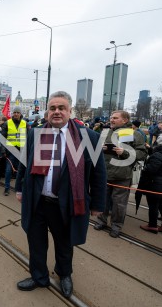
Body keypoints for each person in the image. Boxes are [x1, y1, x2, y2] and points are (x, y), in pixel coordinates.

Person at [15, 91, 106, 298]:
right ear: (47, 111)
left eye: (61, 108)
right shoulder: (34, 134)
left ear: (70, 111)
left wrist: (98, 205)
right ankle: (39, 277)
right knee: (36, 242)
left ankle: (64, 274)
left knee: (64, 243)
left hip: (66, 203)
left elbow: (99, 175)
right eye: (53, 108)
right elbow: (23, 163)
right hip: (37, 201)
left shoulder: (89, 137)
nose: (56, 112)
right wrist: (20, 188)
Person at [94, 110, 147, 238]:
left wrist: (124, 152)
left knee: (119, 204)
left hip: (122, 175)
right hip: (105, 173)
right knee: (103, 200)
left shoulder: (132, 134)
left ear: (125, 120)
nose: (112, 120)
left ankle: (116, 225)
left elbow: (142, 154)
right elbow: (95, 151)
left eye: (115, 118)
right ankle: (101, 220)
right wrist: (100, 149)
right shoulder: (105, 132)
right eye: (111, 117)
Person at [1, 106, 28, 196]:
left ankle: (20, 188)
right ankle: (7, 188)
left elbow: (29, 138)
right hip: (10, 151)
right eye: (15, 112)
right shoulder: (7, 123)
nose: (16, 114)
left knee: (21, 171)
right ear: (13, 113)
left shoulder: (25, 124)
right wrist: (3, 151)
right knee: (8, 170)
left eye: (18, 112)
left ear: (20, 114)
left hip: (22, 151)